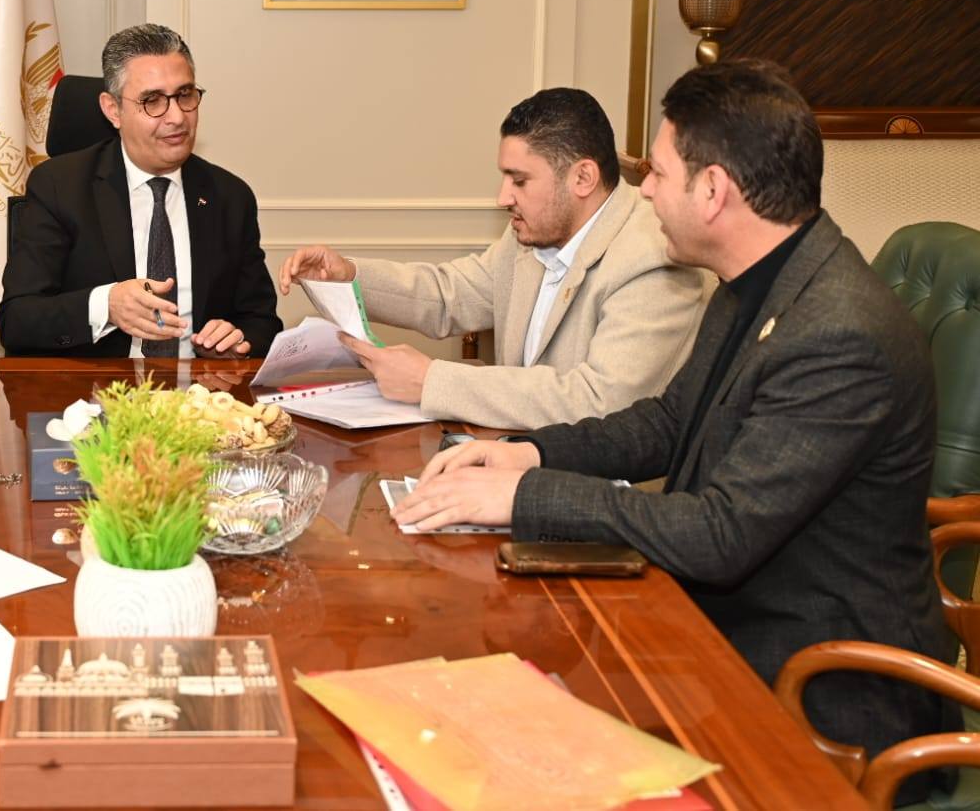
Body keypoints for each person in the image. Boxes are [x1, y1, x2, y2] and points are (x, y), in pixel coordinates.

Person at [395, 61, 951, 778]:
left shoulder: (839, 335)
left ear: (712, 190)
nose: (645, 190)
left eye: (657, 173)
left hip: (820, 687)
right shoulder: (755, 281)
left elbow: (720, 534)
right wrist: (528, 454)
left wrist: (524, 496)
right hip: (714, 627)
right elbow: (666, 423)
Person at [281, 88, 707, 429]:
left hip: (601, 492)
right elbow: (450, 295)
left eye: (519, 181)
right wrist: (349, 275)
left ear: (582, 177)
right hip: (511, 460)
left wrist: (431, 381)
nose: (503, 198)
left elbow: (600, 402)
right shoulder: (536, 228)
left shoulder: (654, 256)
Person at [0, 23, 282, 358]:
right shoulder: (60, 186)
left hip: (197, 388)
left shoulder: (229, 196)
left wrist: (238, 339)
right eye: (152, 101)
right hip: (96, 387)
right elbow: (17, 320)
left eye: (185, 95)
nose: (177, 117)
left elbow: (262, 322)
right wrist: (106, 305)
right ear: (113, 110)